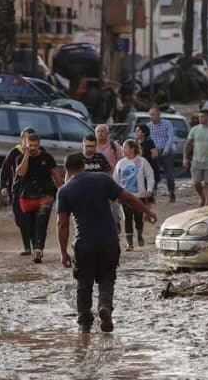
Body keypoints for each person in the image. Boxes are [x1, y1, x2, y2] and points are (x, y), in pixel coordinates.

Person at [56, 153, 156, 333]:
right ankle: (104, 307)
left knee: (84, 283)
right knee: (107, 279)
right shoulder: (102, 179)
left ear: (67, 170)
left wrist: (63, 252)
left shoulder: (65, 190)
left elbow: (62, 224)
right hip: (108, 241)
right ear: (84, 165)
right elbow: (128, 198)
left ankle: (84, 324)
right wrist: (147, 211)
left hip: (84, 244)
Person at [14, 133, 62, 263]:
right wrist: (26, 156)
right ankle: (35, 245)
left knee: (42, 221)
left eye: (36, 145)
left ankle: (38, 249)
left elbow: (57, 176)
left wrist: (63, 190)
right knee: (30, 225)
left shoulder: (47, 157)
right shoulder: (20, 158)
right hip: (27, 196)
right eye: (31, 145)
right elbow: (21, 172)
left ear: (39, 144)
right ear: (26, 145)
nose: (33, 148)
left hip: (46, 195)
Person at [112, 140, 155, 250]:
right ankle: (129, 243)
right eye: (122, 148)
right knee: (127, 218)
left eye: (125, 147)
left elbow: (150, 175)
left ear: (132, 149)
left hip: (139, 195)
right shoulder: (120, 163)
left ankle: (139, 234)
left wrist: (149, 189)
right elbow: (115, 179)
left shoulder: (141, 161)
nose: (123, 150)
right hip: (125, 196)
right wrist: (115, 194)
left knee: (138, 218)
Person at [1, 127, 34, 256]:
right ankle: (28, 244)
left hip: (33, 190)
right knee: (20, 219)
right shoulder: (14, 152)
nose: (29, 140)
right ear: (22, 139)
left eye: (32, 137)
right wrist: (4, 186)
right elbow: (4, 170)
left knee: (33, 218)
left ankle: (32, 246)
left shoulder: (38, 152)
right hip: (18, 189)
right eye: (27, 137)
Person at [147, 106, 177, 202]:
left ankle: (171, 193)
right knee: (153, 173)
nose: (152, 116)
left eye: (154, 114)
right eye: (150, 115)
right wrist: (152, 151)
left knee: (169, 173)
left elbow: (171, 136)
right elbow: (148, 140)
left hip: (166, 151)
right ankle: (152, 194)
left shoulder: (167, 123)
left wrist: (167, 148)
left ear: (159, 114)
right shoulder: (149, 126)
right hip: (154, 151)